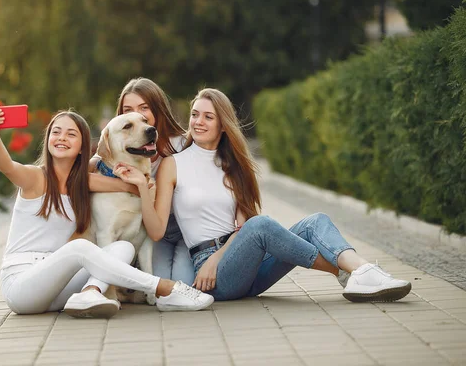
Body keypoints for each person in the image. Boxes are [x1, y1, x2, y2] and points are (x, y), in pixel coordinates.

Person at [114, 88, 412, 302]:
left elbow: (243, 227)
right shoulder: (173, 164)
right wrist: (142, 187)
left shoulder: (234, 166)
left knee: (315, 221)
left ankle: (361, 271)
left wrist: (219, 256)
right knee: (262, 225)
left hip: (239, 263)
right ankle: (350, 273)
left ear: (222, 125)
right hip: (213, 277)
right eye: (195, 115)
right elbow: (155, 231)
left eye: (208, 117)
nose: (198, 122)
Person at [0, 105, 214, 318]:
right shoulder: (35, 177)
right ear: (48, 139)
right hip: (22, 286)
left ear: (83, 148)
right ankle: (164, 287)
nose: (62, 137)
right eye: (56, 132)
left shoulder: (82, 183)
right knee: (82, 248)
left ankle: (89, 293)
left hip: (59, 289)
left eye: (71, 134)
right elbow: (7, 167)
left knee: (122, 248)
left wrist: (143, 182)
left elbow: (124, 186)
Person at [89, 78, 195, 286]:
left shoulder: (182, 146)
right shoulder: (111, 154)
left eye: (144, 109)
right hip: (156, 232)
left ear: (157, 111)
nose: (140, 118)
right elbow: (80, 177)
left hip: (184, 229)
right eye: (128, 110)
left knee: (183, 283)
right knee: (165, 285)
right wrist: (129, 186)